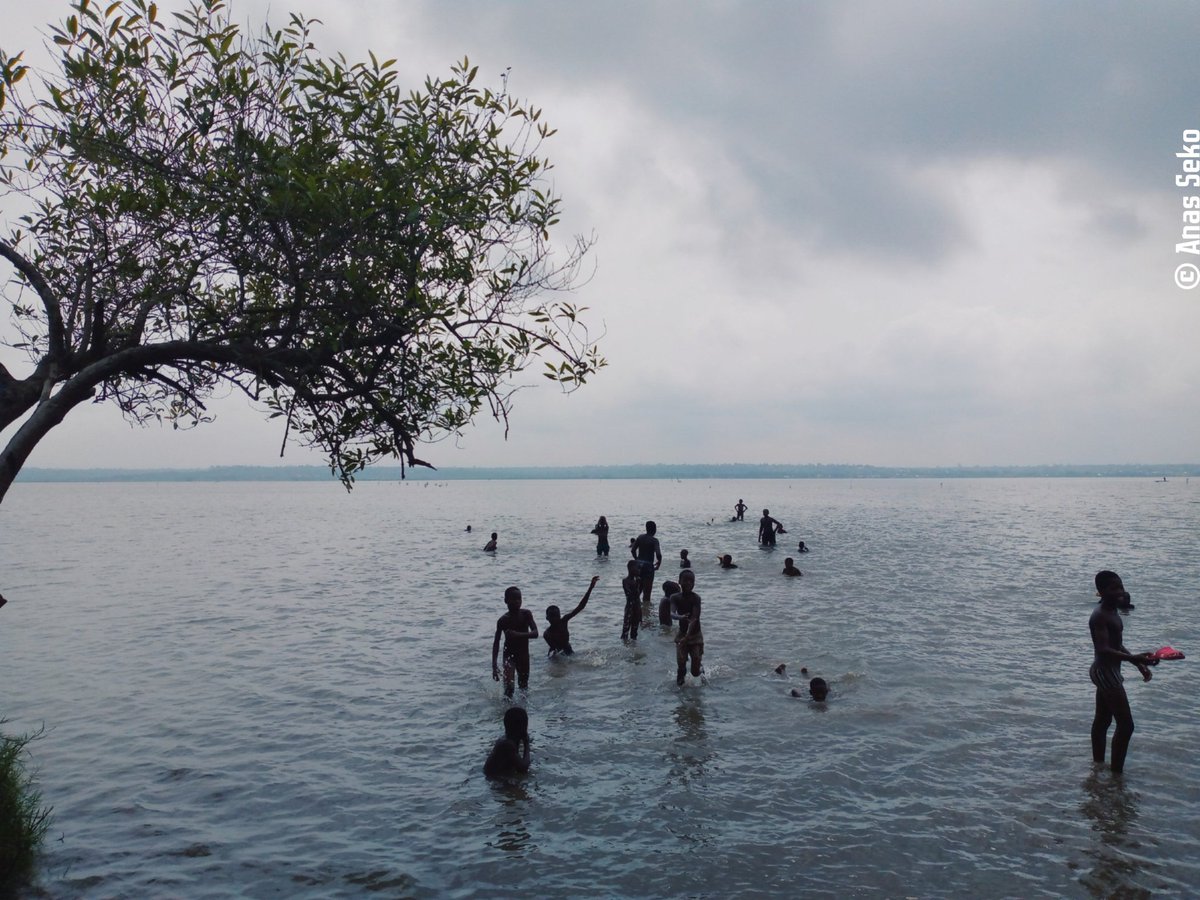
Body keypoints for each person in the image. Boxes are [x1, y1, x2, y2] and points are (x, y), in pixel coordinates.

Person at [1089, 570, 1156, 774]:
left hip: (1108, 671)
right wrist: (1135, 658)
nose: (1120, 592)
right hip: (1105, 673)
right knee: (1126, 725)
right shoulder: (1099, 616)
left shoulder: (1113, 612)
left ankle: (1098, 766)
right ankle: (1116, 775)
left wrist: (1137, 663)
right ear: (1100, 592)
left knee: (1103, 720)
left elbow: (1116, 645)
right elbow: (1103, 649)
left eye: (1121, 586)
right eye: (1113, 588)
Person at [491, 586, 539, 698]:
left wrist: (517, 635)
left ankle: (523, 711)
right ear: (506, 601)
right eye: (514, 599)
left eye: (519, 598)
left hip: (523, 656)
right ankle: (506, 711)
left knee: (523, 687)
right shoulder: (503, 620)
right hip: (509, 656)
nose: (517, 601)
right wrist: (494, 665)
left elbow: (535, 633)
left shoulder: (526, 614)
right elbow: (496, 643)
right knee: (509, 689)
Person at [544, 575, 599, 657]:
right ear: (547, 618)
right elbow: (553, 648)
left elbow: (580, 607)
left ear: (560, 616)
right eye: (552, 616)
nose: (555, 619)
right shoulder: (547, 634)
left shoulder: (564, 621)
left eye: (556, 616)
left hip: (569, 652)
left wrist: (590, 588)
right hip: (558, 655)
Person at [672, 569, 704, 685]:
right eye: (686, 580)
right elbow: (672, 613)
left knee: (695, 672)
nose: (689, 583)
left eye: (692, 581)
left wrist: (687, 637)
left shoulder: (696, 598)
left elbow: (694, 618)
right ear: (679, 581)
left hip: (695, 635)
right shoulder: (675, 597)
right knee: (681, 666)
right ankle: (680, 693)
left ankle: (700, 667)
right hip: (682, 634)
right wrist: (679, 617)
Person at [483, 707, 531, 778]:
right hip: (495, 778)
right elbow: (523, 768)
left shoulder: (507, 740)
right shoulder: (507, 745)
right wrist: (526, 744)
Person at [632, 521, 663, 604]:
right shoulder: (654, 540)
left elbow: (633, 550)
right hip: (648, 566)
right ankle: (646, 612)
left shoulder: (640, 537)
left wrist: (637, 559)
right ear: (655, 530)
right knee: (647, 593)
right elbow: (658, 554)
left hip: (638, 565)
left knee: (638, 590)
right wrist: (659, 563)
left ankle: (634, 609)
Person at [621, 559, 643, 640]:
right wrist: (637, 584)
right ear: (630, 569)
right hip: (629, 608)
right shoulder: (626, 581)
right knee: (625, 630)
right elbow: (629, 594)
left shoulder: (638, 580)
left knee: (634, 632)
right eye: (638, 568)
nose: (639, 570)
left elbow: (638, 596)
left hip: (637, 608)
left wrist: (640, 613)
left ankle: (633, 649)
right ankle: (625, 647)